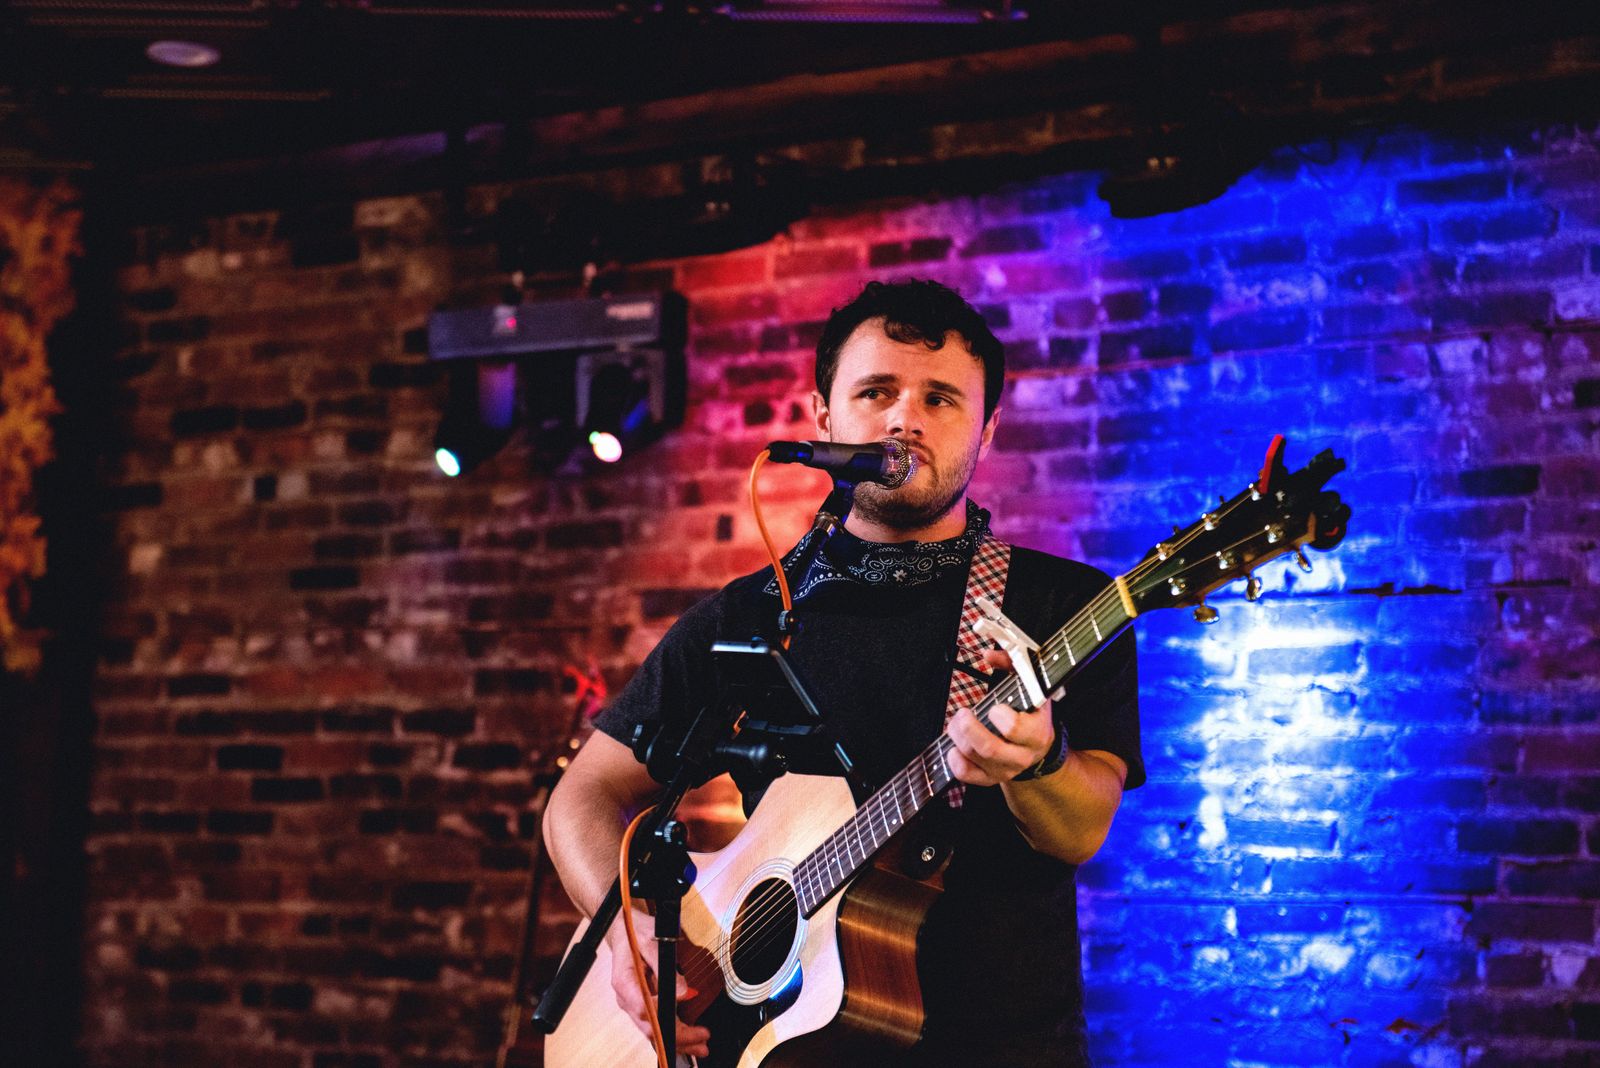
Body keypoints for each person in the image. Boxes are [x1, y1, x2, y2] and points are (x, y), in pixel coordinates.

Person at [543, 279, 1142, 1067]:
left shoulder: (1063, 604)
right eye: (876, 392)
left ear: (987, 429)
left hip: (1001, 1044)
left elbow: (1080, 830)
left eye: (940, 399)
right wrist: (627, 936)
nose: (904, 419)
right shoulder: (753, 612)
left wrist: (1041, 761)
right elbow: (581, 797)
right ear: (824, 419)